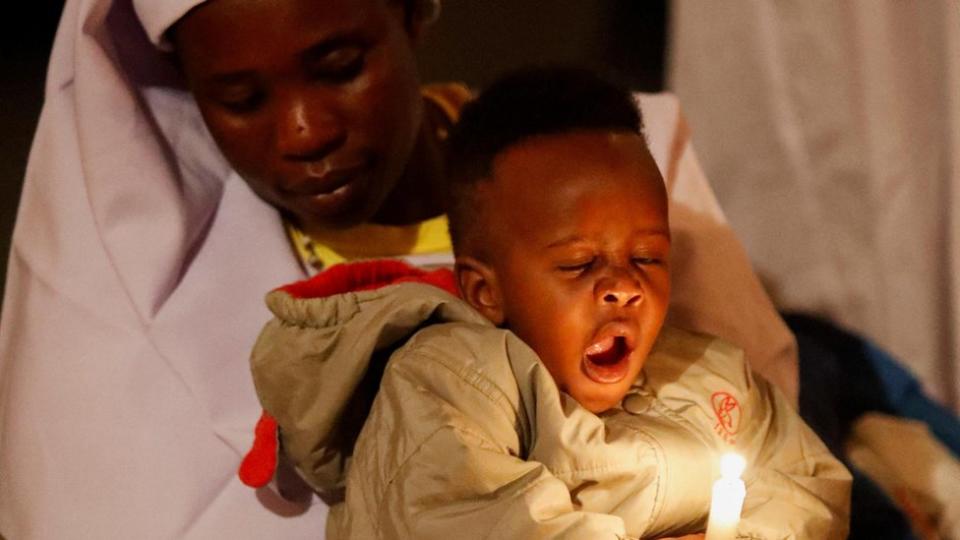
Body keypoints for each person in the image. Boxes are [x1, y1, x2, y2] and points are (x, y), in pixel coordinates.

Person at [0, 0, 800, 537]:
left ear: (415, 14)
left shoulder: (612, 172)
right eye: (240, 98)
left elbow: (765, 441)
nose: (305, 131)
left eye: (341, 65)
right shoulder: (119, 320)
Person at [249, 67, 851, 539]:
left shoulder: (717, 379)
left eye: (647, 257)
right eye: (579, 264)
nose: (623, 286)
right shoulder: (451, 380)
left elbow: (810, 489)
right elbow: (463, 521)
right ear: (486, 290)